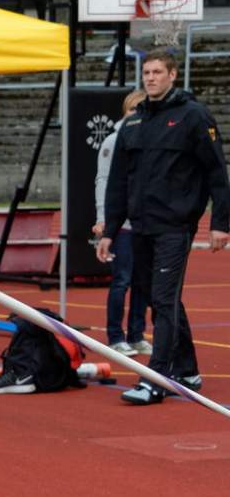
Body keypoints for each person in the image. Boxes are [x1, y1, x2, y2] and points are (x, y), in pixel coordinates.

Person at [99, 50, 230, 405]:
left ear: (172, 75)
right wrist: (110, 230)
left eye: (157, 72)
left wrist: (220, 223)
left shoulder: (193, 116)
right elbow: (118, 183)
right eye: (146, 72)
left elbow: (217, 172)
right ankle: (188, 370)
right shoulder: (134, 123)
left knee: (162, 299)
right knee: (162, 299)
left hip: (175, 226)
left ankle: (158, 378)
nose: (151, 78)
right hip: (140, 227)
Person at [93, 89, 150, 358]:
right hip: (122, 224)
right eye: (132, 109)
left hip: (146, 224)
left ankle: (136, 335)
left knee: (141, 281)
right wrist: (102, 218)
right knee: (121, 280)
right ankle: (115, 336)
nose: (136, 114)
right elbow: (103, 180)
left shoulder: (152, 139)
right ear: (125, 112)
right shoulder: (113, 141)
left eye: (141, 109)